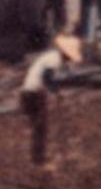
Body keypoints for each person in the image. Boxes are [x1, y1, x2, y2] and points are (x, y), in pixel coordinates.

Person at [19, 34, 83, 167]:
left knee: (38, 127)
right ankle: (38, 160)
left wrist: (55, 90)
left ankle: (37, 157)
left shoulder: (52, 56)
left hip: (30, 91)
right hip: (33, 93)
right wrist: (55, 92)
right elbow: (46, 78)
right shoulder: (54, 60)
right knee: (40, 128)